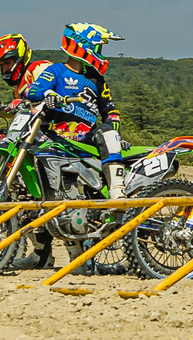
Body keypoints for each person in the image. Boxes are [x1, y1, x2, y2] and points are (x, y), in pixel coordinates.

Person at [10, 24, 125, 269]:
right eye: (99, 46)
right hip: (56, 136)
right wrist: (45, 95)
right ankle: (77, 260)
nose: (101, 51)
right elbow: (32, 89)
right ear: (83, 45)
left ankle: (118, 190)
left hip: (88, 135)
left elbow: (110, 109)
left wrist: (114, 127)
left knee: (107, 130)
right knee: (58, 195)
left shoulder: (96, 79)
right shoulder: (56, 71)